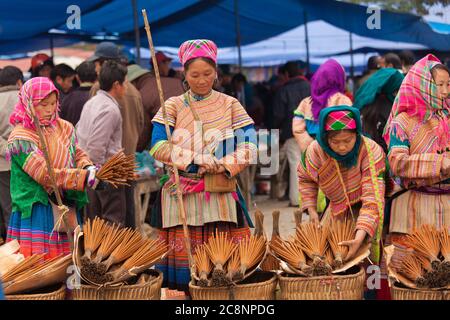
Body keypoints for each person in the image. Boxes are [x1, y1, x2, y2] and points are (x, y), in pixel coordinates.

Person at [150, 39, 256, 292]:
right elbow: (156, 147)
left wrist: (226, 164)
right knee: (185, 267)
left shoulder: (230, 104)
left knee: (225, 264)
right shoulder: (173, 105)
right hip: (182, 197)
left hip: (221, 191)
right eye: (194, 74)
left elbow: (251, 144)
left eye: (207, 74)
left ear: (216, 72)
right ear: (184, 74)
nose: (201, 80)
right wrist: (194, 158)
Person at [6, 77, 98, 259]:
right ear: (28, 103)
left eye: (53, 103)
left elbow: (77, 153)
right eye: (43, 104)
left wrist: (88, 167)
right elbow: (44, 174)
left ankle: (68, 287)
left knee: (69, 264)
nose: (49, 110)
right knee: (38, 266)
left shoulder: (64, 128)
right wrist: (81, 177)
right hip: (37, 210)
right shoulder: (21, 138)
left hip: (65, 205)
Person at [298, 105, 385, 262]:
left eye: (348, 140)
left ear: (357, 134)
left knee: (365, 260)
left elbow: (373, 199)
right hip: (335, 210)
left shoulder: (370, 151)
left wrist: (359, 238)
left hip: (365, 208)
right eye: (335, 141)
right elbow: (306, 179)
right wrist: (311, 210)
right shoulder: (316, 151)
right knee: (330, 260)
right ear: (325, 138)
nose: (342, 147)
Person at [383, 54, 449, 240]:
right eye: (439, 85)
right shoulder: (402, 122)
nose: (445, 91)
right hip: (414, 207)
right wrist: (439, 163)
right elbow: (397, 162)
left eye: (448, 84)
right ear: (423, 84)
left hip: (447, 207)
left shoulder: (447, 117)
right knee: (412, 266)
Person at [88, 41, 144, 229]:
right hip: (125, 161)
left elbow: (94, 135)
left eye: (97, 63)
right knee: (125, 216)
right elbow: (141, 124)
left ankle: (110, 256)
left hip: (108, 166)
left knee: (106, 218)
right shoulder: (133, 90)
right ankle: (126, 255)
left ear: (104, 63)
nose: (95, 68)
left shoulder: (99, 90)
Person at [77, 61, 126, 226]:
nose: (125, 87)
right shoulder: (109, 109)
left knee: (95, 221)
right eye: (124, 83)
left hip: (92, 172)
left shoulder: (91, 103)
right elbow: (97, 146)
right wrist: (98, 177)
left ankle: (97, 252)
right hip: (106, 172)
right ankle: (107, 252)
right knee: (111, 222)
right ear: (116, 84)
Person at [293, 59, 352, 152]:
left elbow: (298, 130)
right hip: (336, 152)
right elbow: (349, 129)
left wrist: (312, 149)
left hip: (312, 154)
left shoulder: (305, 102)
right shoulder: (342, 100)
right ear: (339, 78)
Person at [272, 61, 310, 206]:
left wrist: (277, 131)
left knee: (295, 166)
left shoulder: (283, 90)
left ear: (287, 74)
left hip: (291, 133)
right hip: (310, 132)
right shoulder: (310, 87)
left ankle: (296, 200)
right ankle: (311, 200)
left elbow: (277, 114)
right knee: (311, 164)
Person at [127, 63, 184, 152]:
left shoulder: (142, 95)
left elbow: (145, 130)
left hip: (170, 135)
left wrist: (136, 151)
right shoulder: (175, 81)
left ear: (134, 82)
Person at [353, 68, 404, 153]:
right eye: (398, 90)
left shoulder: (366, 104)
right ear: (392, 88)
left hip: (365, 156)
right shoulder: (390, 109)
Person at [0, 66, 23, 240]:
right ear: (19, 82)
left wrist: (7, 149)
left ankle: (14, 247)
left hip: (3, 165)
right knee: (28, 206)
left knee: (9, 208)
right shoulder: (27, 100)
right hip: (29, 162)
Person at [60, 61, 97, 126]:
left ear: (77, 77)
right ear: (97, 77)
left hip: (71, 135)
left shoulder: (68, 98)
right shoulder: (100, 97)